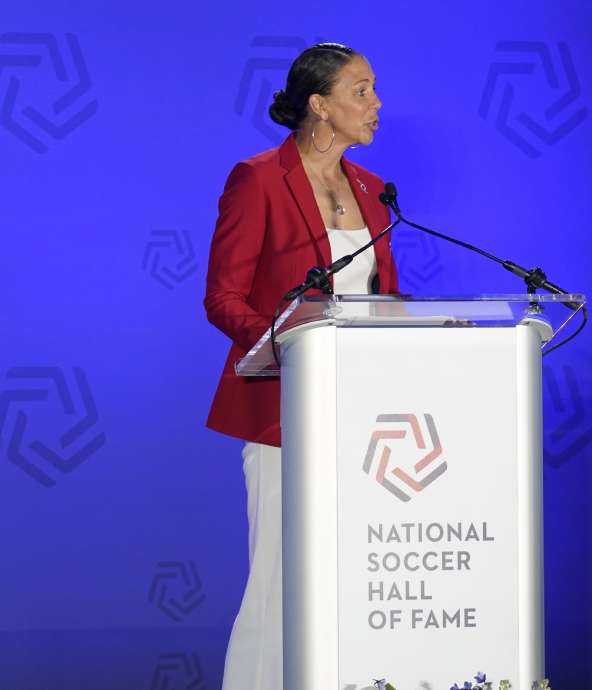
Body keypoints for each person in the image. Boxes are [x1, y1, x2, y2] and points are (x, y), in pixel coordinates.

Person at [203, 42, 399, 690]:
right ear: (319, 105)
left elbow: (383, 298)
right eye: (361, 91)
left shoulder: (373, 191)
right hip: (284, 411)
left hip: (367, 415)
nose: (376, 105)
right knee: (280, 582)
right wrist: (292, 345)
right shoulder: (258, 179)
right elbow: (223, 297)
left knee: (354, 578)